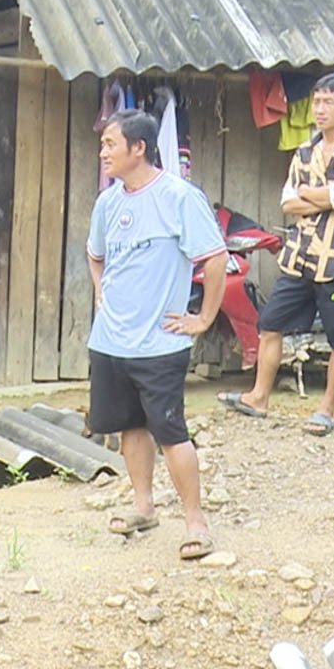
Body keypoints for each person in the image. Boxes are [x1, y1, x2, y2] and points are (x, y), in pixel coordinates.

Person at [88, 110, 228, 561]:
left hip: (160, 343)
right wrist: (101, 296)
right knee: (129, 427)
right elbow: (96, 256)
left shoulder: (179, 197)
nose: (104, 152)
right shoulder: (108, 203)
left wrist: (202, 319)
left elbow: (214, 259)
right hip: (111, 340)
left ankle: (196, 523)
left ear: (139, 148)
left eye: (111, 144)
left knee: (171, 433)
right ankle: (143, 506)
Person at [219, 72, 334, 436]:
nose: (319, 109)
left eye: (328, 102)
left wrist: (311, 194)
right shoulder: (304, 151)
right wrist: (318, 196)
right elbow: (288, 202)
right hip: (301, 256)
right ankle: (258, 397)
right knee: (269, 325)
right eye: (316, 101)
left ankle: (326, 410)